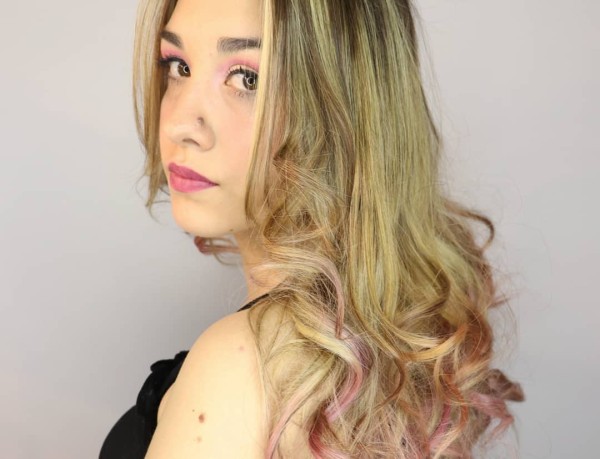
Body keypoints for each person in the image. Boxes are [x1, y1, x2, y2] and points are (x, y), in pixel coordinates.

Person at [101, 0, 525, 457]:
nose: (181, 124)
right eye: (178, 66)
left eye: (247, 79)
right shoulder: (379, 350)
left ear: (346, 105)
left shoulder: (240, 370)